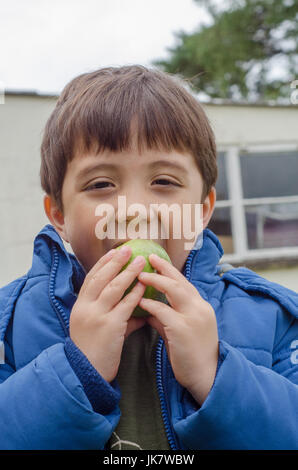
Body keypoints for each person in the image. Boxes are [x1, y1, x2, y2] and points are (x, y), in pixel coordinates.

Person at [1, 65, 298, 451]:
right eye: (101, 184)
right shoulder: (8, 326)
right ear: (59, 215)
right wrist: (75, 371)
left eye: (164, 182)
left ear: (203, 209)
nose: (135, 210)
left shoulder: (274, 317)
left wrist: (215, 375)